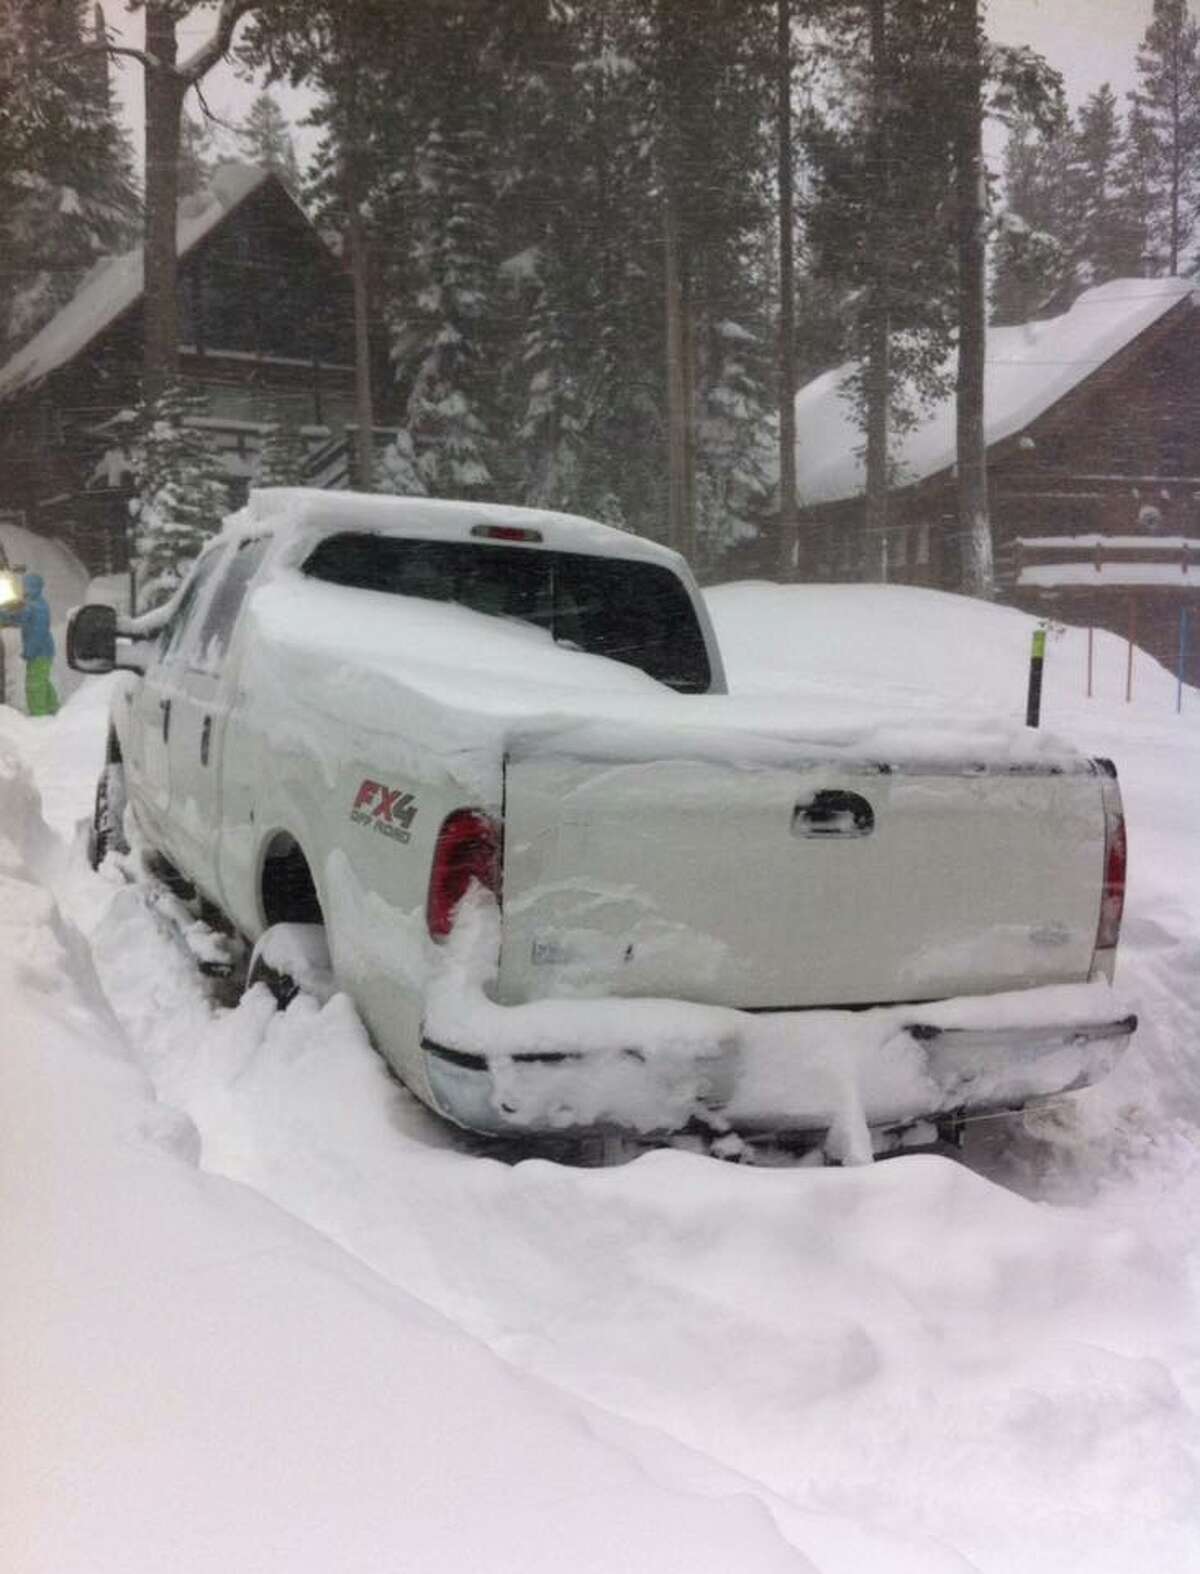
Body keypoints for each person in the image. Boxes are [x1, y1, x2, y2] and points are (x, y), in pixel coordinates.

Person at [0, 572, 59, 716]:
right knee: (42, 680)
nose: (24, 589)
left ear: (34, 587)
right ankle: (53, 709)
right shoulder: (33, 604)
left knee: (35, 684)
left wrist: (30, 651)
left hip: (40, 651)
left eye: (26, 586)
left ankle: (39, 715)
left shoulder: (38, 607)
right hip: (43, 651)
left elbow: (39, 631)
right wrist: (4, 616)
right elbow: (20, 618)